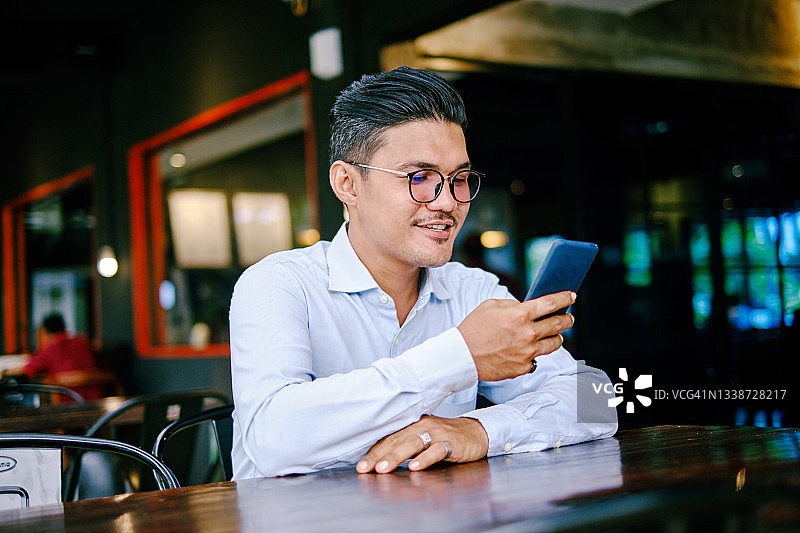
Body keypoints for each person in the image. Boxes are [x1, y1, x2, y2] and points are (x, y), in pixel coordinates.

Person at [229, 66, 617, 479]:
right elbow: (271, 439)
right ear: (347, 184)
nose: (448, 202)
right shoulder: (279, 284)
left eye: (459, 179)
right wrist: (461, 356)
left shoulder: (473, 290)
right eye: (420, 177)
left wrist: (479, 430)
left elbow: (597, 400)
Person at [3, 313, 103, 400]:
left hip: (69, 401)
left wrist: (5, 371)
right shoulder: (84, 342)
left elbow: (27, 370)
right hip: (98, 399)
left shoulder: (50, 349)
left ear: (44, 332)